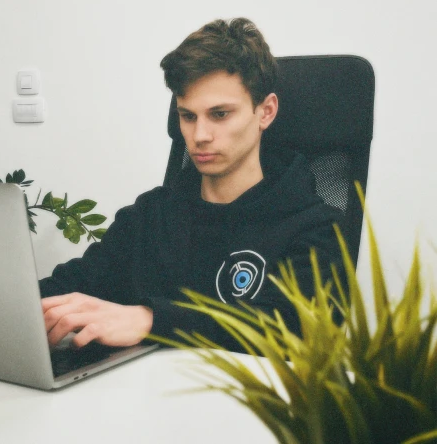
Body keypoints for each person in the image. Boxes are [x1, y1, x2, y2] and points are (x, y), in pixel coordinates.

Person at [39, 18, 341, 351]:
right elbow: (71, 286)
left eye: (220, 114)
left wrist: (152, 320)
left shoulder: (313, 227)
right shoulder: (150, 216)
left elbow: (291, 331)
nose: (199, 136)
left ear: (265, 112)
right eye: (188, 116)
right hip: (132, 396)